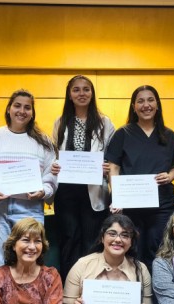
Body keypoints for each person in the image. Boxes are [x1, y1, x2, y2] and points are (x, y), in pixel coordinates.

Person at [0, 89, 57, 268]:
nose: (22, 111)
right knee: (0, 262)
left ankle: (26, 297)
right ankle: (4, 296)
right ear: (9, 108)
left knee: (28, 260)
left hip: (30, 207)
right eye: (17, 105)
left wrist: (44, 191)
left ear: (32, 113)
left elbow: (51, 174)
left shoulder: (43, 140)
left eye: (27, 107)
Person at [105, 85, 174, 271]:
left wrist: (169, 176)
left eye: (150, 100)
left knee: (159, 250)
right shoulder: (122, 134)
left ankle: (156, 295)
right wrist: (117, 197)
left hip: (161, 205)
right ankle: (136, 294)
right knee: (133, 250)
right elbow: (113, 168)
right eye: (140, 101)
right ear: (133, 106)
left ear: (157, 105)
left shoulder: (169, 135)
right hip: (131, 206)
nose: (146, 105)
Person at [63, 214, 154, 304]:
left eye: (125, 235)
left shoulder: (140, 269)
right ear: (102, 237)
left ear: (131, 241)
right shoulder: (82, 264)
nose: (118, 239)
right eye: (112, 233)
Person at [51, 75, 115, 280]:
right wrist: (55, 166)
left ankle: (91, 286)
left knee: (92, 241)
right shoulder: (60, 122)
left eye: (86, 89)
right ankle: (69, 288)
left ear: (92, 93)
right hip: (66, 191)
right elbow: (54, 154)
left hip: (94, 191)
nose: (81, 93)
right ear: (69, 95)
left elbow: (112, 157)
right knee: (69, 240)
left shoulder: (105, 122)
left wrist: (107, 166)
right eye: (76, 90)